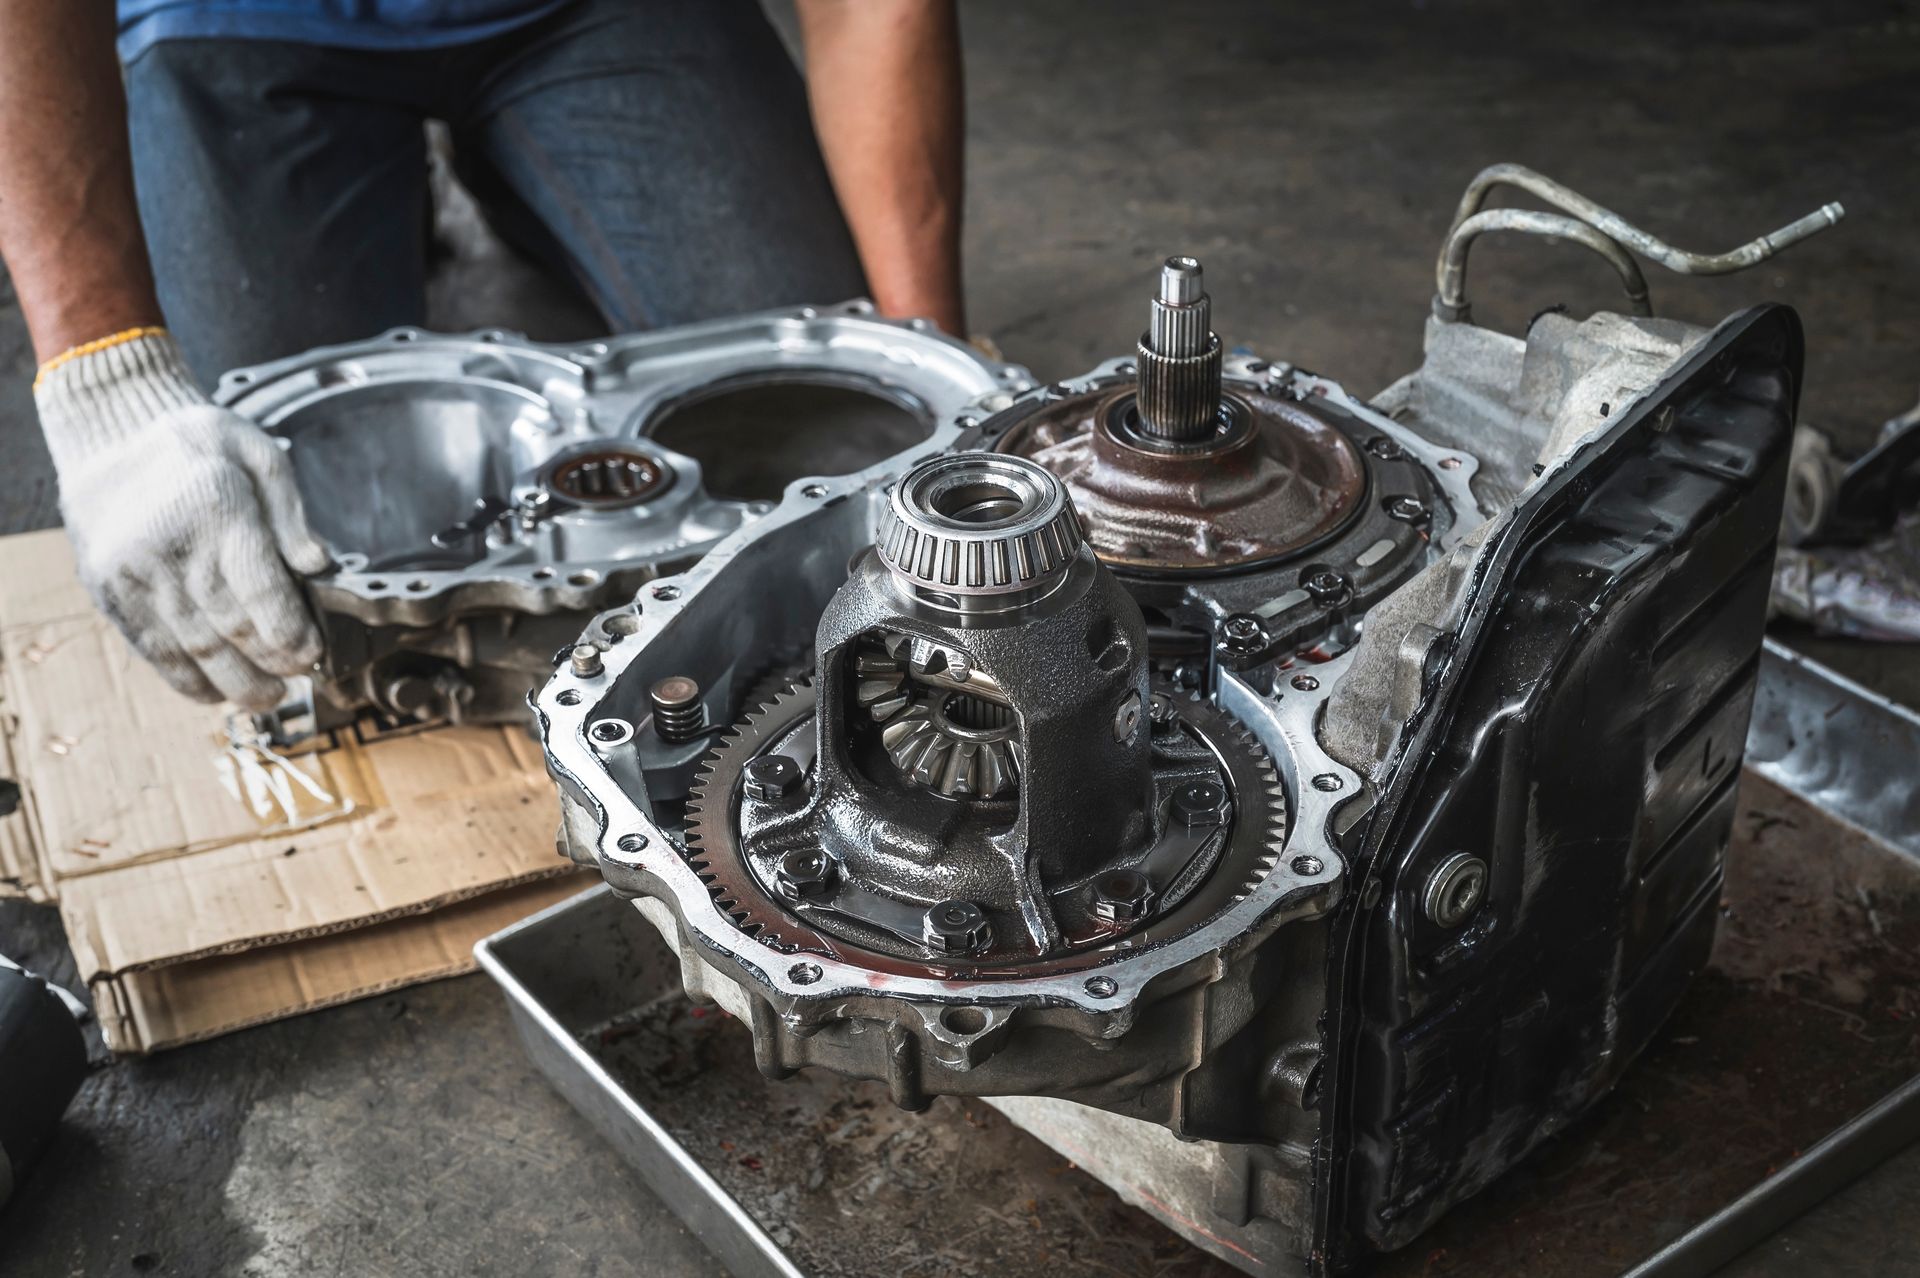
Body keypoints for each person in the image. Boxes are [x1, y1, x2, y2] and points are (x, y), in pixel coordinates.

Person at [0, 0, 965, 709]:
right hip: (232, 19)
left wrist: (934, 375)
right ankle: (389, 180)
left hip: (590, 15)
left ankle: (515, 169)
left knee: (836, 441)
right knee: (282, 546)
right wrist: (106, 381)